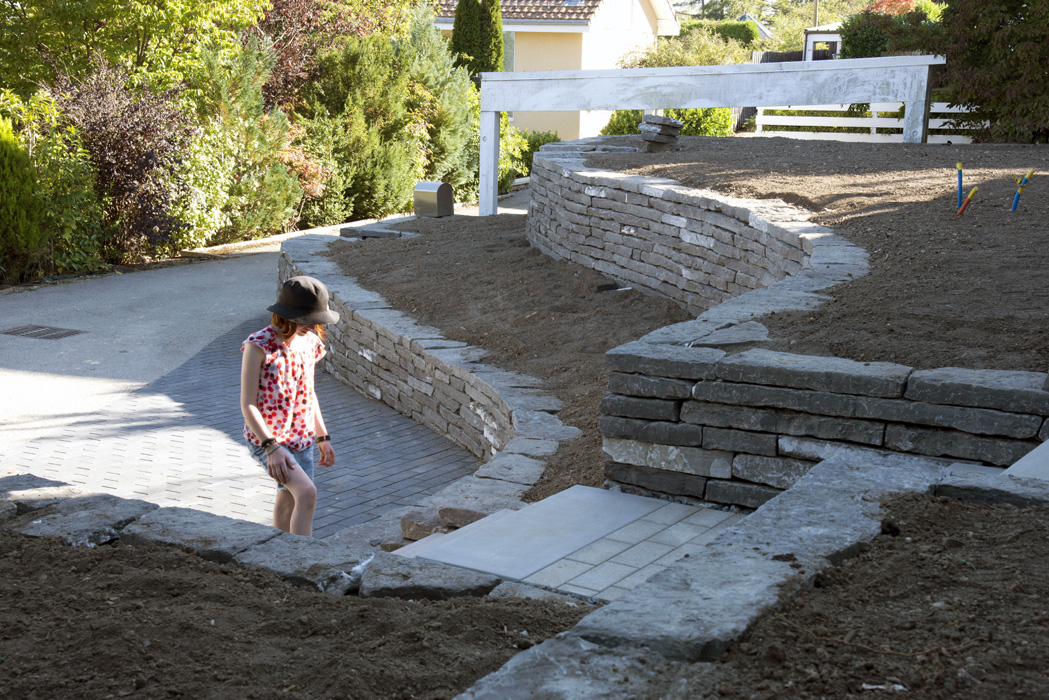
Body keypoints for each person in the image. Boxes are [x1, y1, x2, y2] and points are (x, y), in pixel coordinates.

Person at [240, 276, 339, 536]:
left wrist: (322, 435)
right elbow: (248, 403)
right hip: (269, 440)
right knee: (307, 494)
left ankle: (279, 562)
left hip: (302, 438)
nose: (314, 325)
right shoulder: (258, 345)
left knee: (289, 502)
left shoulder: (311, 343)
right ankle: (302, 561)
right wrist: (271, 447)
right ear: (286, 315)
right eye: (307, 320)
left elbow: (309, 392)